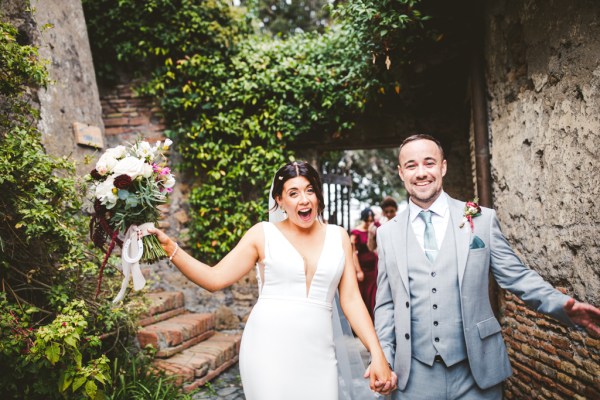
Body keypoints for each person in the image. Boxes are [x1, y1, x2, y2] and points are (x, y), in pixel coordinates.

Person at [371, 134, 600, 399]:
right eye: (411, 165)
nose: (421, 172)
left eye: (429, 163)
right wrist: (384, 358)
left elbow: (517, 276)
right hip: (414, 377)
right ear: (401, 172)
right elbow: (386, 305)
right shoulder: (387, 234)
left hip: (476, 371)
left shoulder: (481, 219)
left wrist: (560, 305)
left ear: (443, 167)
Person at [148, 161, 395, 400]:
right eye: (294, 193)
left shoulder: (338, 236)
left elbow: (351, 300)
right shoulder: (262, 234)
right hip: (268, 349)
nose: (304, 199)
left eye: (310, 190)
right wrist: (171, 248)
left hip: (319, 352)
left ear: (318, 195)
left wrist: (377, 354)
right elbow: (214, 279)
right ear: (279, 200)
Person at [351, 208, 379, 321]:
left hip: (374, 266)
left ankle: (374, 321)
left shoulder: (373, 229)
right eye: (367, 220)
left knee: (374, 294)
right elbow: (353, 253)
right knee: (364, 295)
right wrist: (358, 270)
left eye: (371, 220)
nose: (369, 223)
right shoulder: (356, 232)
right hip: (363, 267)